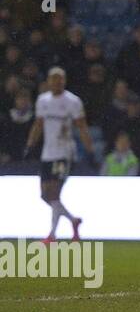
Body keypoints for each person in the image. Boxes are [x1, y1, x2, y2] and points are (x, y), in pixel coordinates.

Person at [24, 67, 96, 243]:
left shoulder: (73, 101)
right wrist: (30, 144)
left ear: (64, 81)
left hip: (64, 152)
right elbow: (38, 125)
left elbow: (82, 127)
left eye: (60, 79)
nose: (57, 82)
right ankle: (73, 221)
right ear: (48, 81)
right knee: (44, 195)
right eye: (54, 79)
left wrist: (90, 150)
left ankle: (52, 235)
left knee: (54, 193)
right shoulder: (43, 101)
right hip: (47, 153)